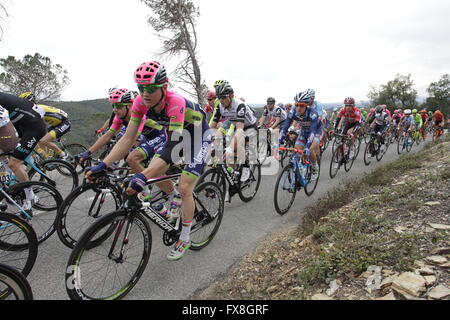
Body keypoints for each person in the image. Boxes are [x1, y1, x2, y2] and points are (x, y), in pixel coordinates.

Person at [86, 61, 211, 261]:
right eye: (141, 87)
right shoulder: (139, 103)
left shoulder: (175, 102)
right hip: (175, 136)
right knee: (153, 166)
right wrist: (103, 164)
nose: (145, 93)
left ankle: (185, 237)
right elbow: (127, 139)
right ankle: (172, 195)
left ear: (164, 86)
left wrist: (142, 177)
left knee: (185, 187)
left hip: (198, 136)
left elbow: (173, 148)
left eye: (151, 88)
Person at [77, 88, 167, 174]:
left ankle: (146, 182)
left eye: (118, 106)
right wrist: (88, 152)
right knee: (131, 173)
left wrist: (104, 164)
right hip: (147, 137)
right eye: (113, 105)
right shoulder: (119, 118)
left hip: (161, 135)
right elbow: (108, 135)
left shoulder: (139, 116)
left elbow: (131, 139)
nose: (115, 110)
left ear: (129, 105)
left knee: (132, 158)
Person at [209, 81, 258, 201]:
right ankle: (233, 172)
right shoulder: (219, 106)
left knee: (236, 146)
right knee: (218, 134)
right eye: (219, 98)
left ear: (231, 95)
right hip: (233, 122)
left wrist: (230, 148)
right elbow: (212, 126)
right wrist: (210, 143)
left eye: (223, 97)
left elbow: (240, 130)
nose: (221, 100)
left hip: (248, 126)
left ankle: (246, 165)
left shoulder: (239, 105)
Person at [0, 92, 47, 208]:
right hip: (23, 126)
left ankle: (31, 197)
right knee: (7, 159)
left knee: (14, 164)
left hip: (34, 128)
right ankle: (11, 177)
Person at [279, 91, 322, 180]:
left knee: (309, 150)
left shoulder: (312, 113)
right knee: (297, 150)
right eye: (297, 104)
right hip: (304, 131)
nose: (298, 108)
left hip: (316, 132)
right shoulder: (293, 111)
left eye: (301, 105)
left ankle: (315, 167)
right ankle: (300, 168)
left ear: (306, 105)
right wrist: (279, 141)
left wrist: (307, 147)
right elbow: (285, 126)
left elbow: (313, 132)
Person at [18, 92, 71, 159]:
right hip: (56, 124)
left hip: (64, 123)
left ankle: (64, 155)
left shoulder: (37, 109)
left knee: (44, 140)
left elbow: (37, 124)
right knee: (39, 139)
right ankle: (47, 159)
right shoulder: (36, 108)